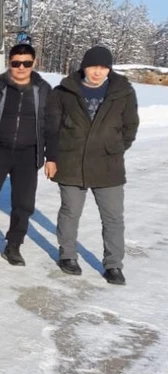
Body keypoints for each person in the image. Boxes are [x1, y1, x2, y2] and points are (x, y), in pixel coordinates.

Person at [45, 45, 139, 285]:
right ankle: (67, 255)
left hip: (108, 165)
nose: (97, 72)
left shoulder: (123, 92)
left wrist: (113, 148)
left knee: (113, 217)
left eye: (103, 67)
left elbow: (130, 127)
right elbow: (52, 129)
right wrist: (52, 158)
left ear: (109, 68)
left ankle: (113, 265)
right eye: (92, 66)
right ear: (83, 66)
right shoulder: (63, 91)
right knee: (70, 212)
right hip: (70, 161)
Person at [0, 44, 52, 266]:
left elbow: (51, 126)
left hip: (28, 153)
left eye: (26, 63)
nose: (21, 67)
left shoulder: (43, 89)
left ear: (33, 63)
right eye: (16, 63)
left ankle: (13, 246)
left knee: (23, 204)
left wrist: (51, 157)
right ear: (9, 62)